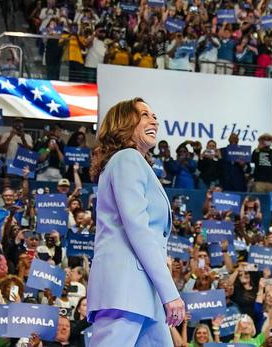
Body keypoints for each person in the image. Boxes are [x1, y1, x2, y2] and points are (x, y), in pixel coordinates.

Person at [87, 97, 185, 346]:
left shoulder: (134, 163)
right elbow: (138, 229)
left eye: (154, 115)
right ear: (123, 123)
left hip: (143, 292)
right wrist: (170, 291)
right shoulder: (126, 159)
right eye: (144, 114)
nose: (154, 119)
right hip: (125, 289)